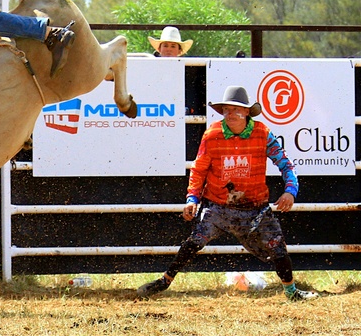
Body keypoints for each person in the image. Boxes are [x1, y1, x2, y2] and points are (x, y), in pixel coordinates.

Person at [136, 86, 319, 302]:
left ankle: (291, 292)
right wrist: (192, 199)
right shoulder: (212, 135)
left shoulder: (263, 134)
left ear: (247, 112)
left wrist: (290, 191)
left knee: (278, 248)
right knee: (194, 241)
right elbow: (199, 169)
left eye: (235, 109)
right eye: (226, 110)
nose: (230, 114)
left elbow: (286, 164)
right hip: (218, 205)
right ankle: (165, 281)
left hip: (256, 207)